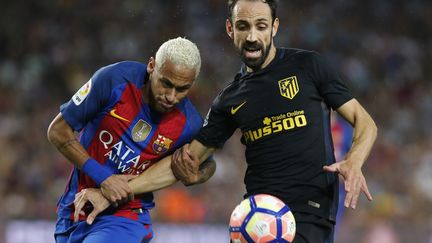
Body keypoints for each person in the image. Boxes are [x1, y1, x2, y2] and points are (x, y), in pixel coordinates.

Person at [75, 0, 377, 242]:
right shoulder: (229, 99)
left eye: (261, 26)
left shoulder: (309, 66)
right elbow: (187, 161)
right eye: (243, 26)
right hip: (255, 218)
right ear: (230, 29)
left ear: (274, 27)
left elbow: (365, 123)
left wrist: (354, 160)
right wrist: (113, 190)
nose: (252, 36)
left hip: (310, 212)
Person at [47, 37, 216, 243]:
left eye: (182, 89)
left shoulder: (188, 123)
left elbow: (208, 163)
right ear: (152, 65)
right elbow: (58, 130)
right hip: (74, 209)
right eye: (166, 83)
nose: (171, 96)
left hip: (125, 218)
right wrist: (104, 179)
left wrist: (198, 175)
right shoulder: (114, 80)